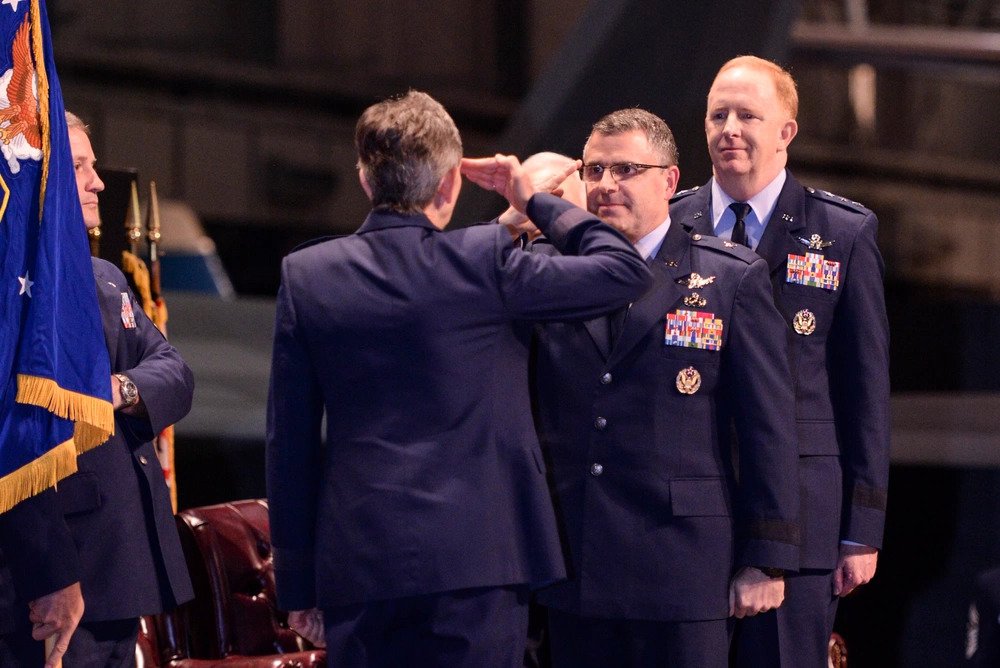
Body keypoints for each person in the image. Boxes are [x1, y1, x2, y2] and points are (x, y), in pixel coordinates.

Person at [265, 90, 651, 667]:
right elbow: (623, 270)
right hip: (480, 565)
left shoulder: (308, 276)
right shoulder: (484, 261)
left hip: (361, 568)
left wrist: (297, 586)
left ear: (366, 179)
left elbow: (288, 446)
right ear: (450, 184)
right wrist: (533, 200)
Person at [528, 109, 799, 667]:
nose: (606, 186)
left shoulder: (729, 278)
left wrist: (766, 558)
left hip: (681, 563)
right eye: (595, 170)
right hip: (574, 558)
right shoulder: (546, 273)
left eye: (625, 169)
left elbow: (768, 427)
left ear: (670, 180)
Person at [669, 55, 891, 667]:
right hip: (690, 512)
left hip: (804, 518)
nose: (729, 129)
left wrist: (861, 528)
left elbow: (864, 388)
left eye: (747, 115)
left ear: (785, 131)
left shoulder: (840, 233)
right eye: (718, 115)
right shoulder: (670, 226)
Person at [0, 111, 195, 666]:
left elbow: (175, 373)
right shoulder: (13, 287)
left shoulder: (106, 276)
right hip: (53, 582)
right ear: (42, 175)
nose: (99, 181)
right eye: (79, 165)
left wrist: (118, 390)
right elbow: (17, 444)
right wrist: (54, 574)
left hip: (122, 569)